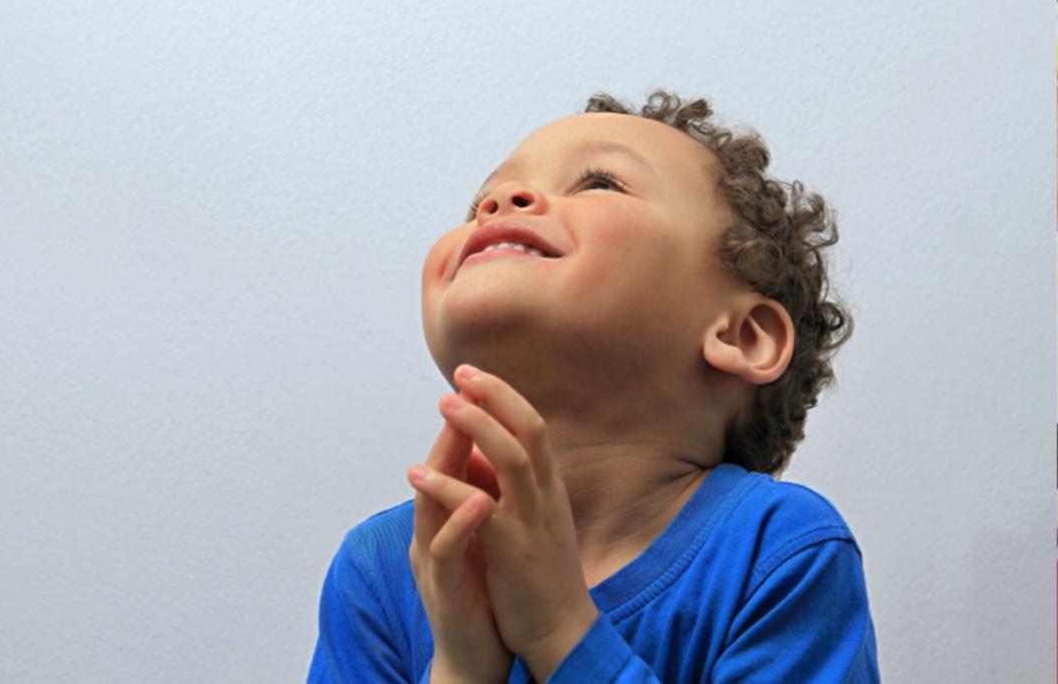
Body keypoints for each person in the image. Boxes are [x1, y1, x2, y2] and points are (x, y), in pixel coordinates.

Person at [307, 88, 879, 683]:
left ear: (742, 336)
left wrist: (560, 631)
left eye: (600, 183)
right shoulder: (376, 570)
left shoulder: (781, 552)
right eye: (479, 202)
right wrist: (461, 667)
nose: (499, 202)